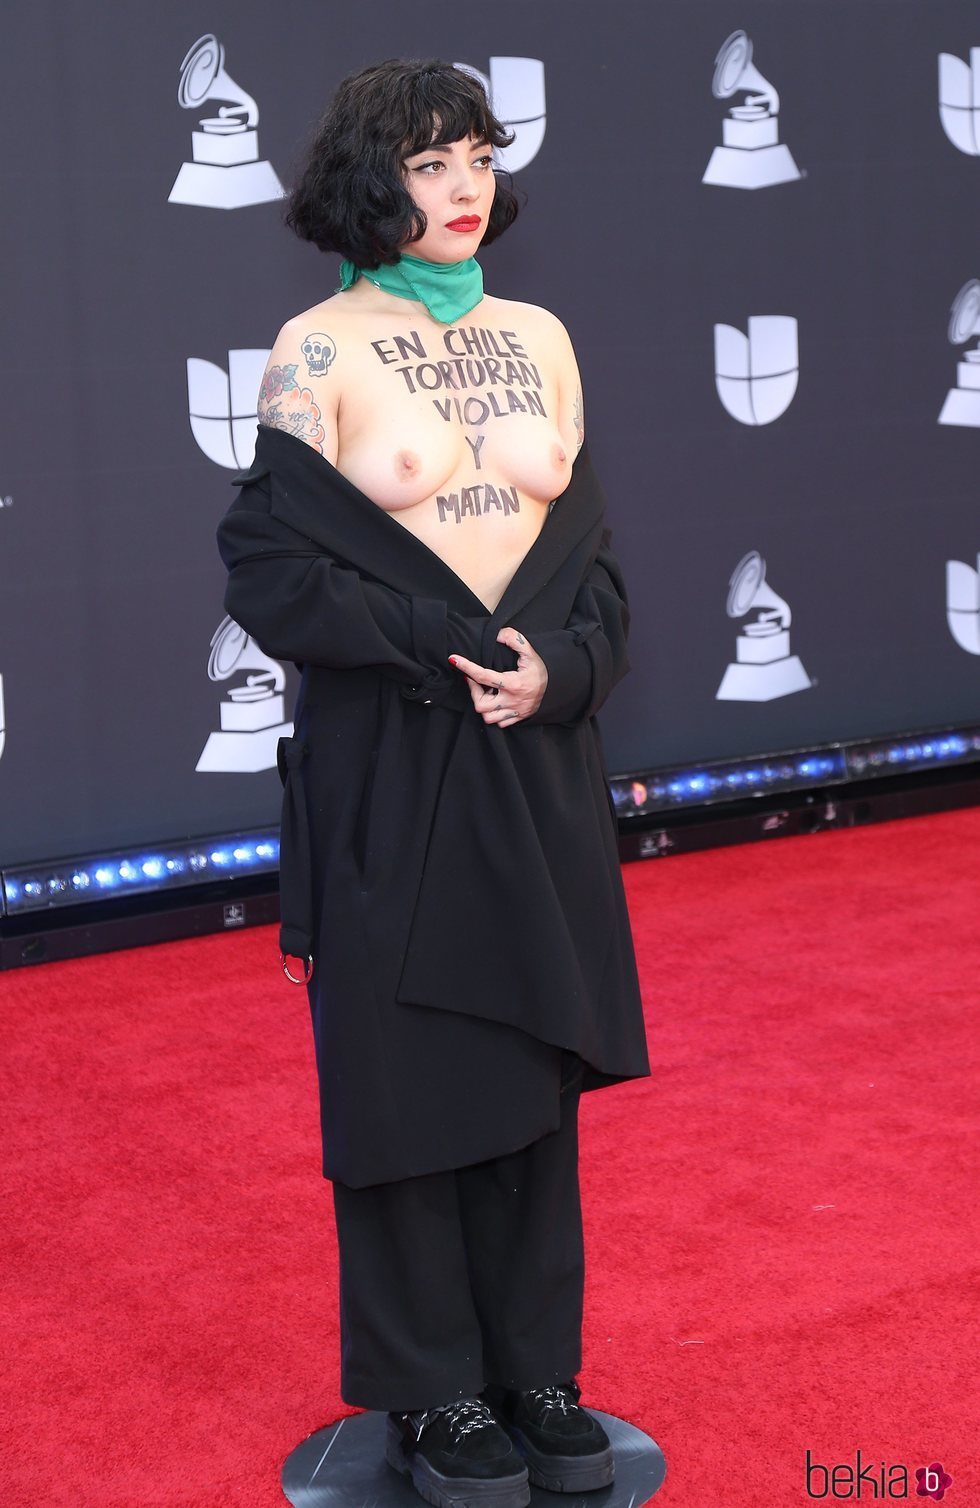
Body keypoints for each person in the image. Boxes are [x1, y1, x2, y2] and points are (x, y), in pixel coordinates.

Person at [216, 58, 651, 1508]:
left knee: (531, 1061)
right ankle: (433, 1393)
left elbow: (595, 568)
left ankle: (537, 1370)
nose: (463, 188)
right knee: (406, 1079)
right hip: (395, 760)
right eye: (427, 163)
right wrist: (436, 651)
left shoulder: (542, 334)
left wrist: (559, 675)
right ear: (369, 181)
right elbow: (271, 570)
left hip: (537, 757)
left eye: (477, 156)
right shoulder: (315, 347)